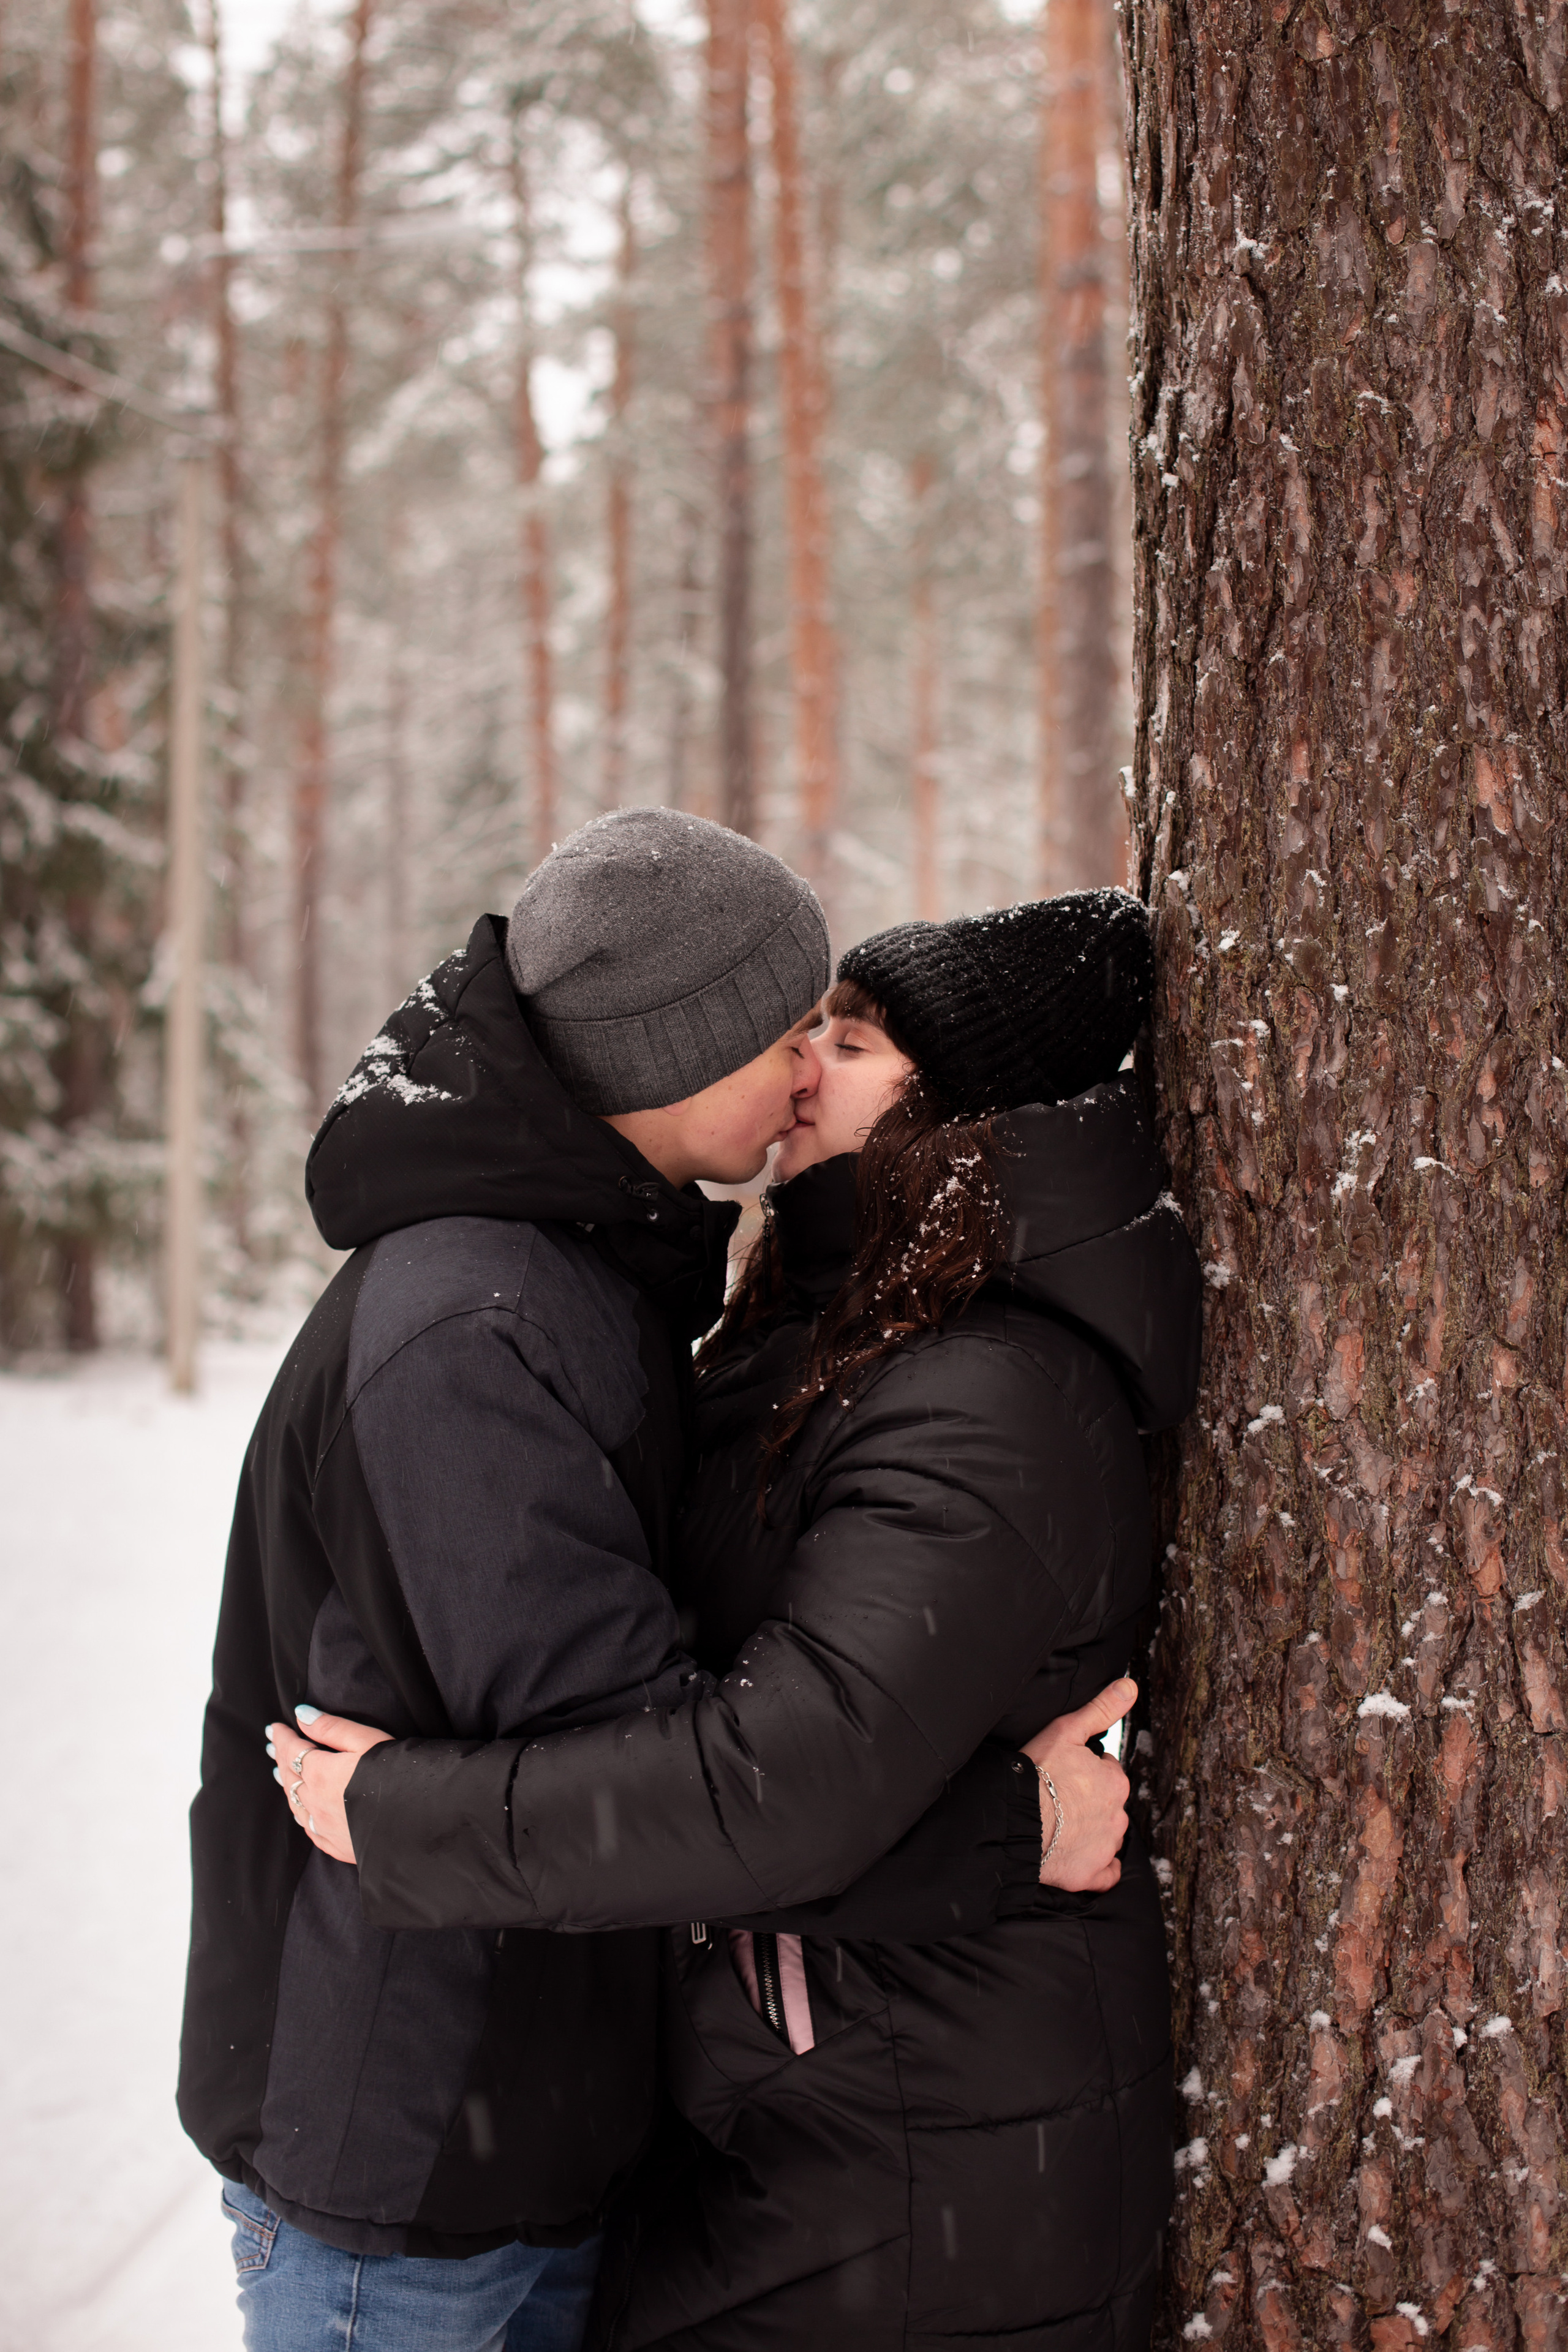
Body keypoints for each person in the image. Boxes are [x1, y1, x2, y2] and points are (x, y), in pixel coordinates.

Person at [276, 888, 1205, 2349]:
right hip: (828, 2130)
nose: (800, 1063)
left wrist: (409, 1820)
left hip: (913, 2185)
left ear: (955, 1114)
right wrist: (1009, 1828)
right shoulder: (841, 1328)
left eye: (848, 1040)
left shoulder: (982, 1395)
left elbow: (782, 1790)